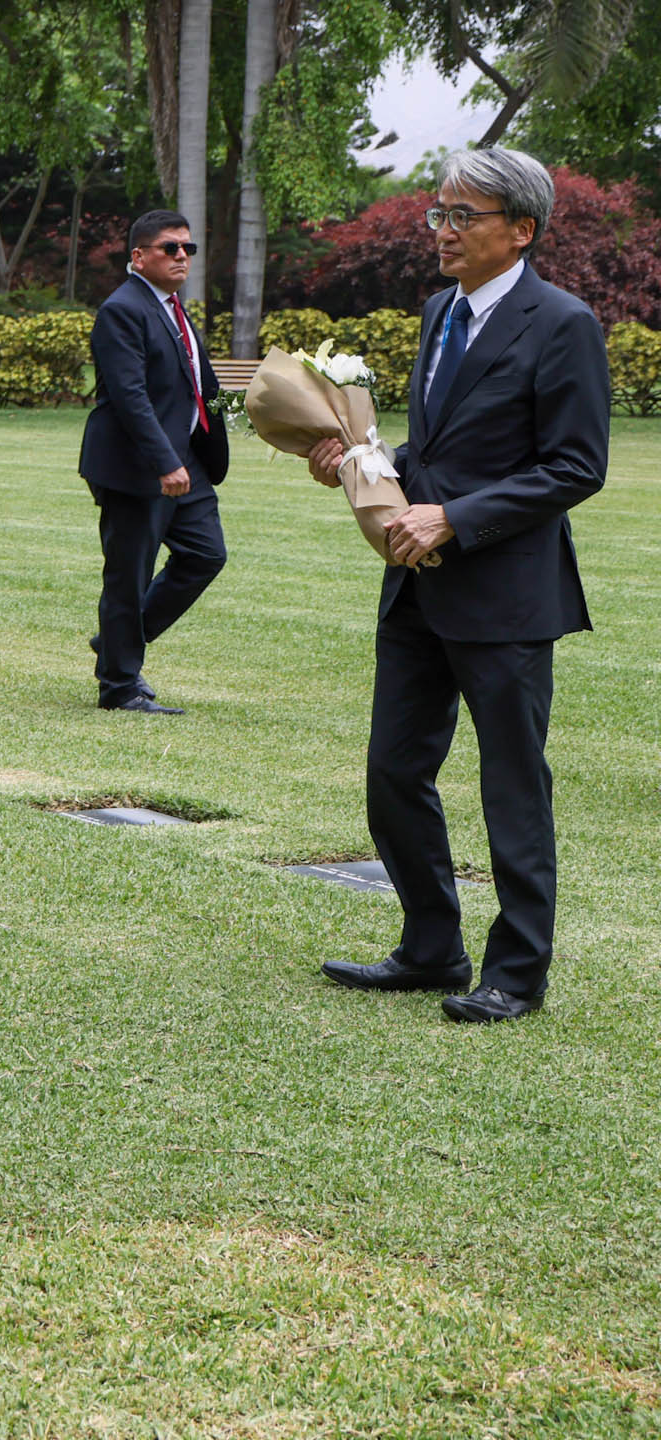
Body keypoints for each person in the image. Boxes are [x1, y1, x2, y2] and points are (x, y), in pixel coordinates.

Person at [309, 148, 607, 1024]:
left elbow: (576, 466)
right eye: (436, 214)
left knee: (512, 785)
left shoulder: (563, 323)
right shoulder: (440, 311)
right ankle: (431, 947)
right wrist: (363, 460)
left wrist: (455, 517)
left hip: (508, 593)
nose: (439, 232)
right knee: (394, 772)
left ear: (522, 229)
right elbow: (435, 452)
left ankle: (517, 974)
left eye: (460, 217)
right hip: (416, 589)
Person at [78, 210, 232, 714]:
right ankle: (120, 688)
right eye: (171, 248)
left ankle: (118, 643)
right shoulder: (122, 309)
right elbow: (129, 396)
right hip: (136, 466)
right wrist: (165, 461)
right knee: (129, 574)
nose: (182, 256)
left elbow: (193, 383)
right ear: (139, 256)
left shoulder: (171, 307)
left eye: (188, 248)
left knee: (206, 554)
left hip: (187, 461)